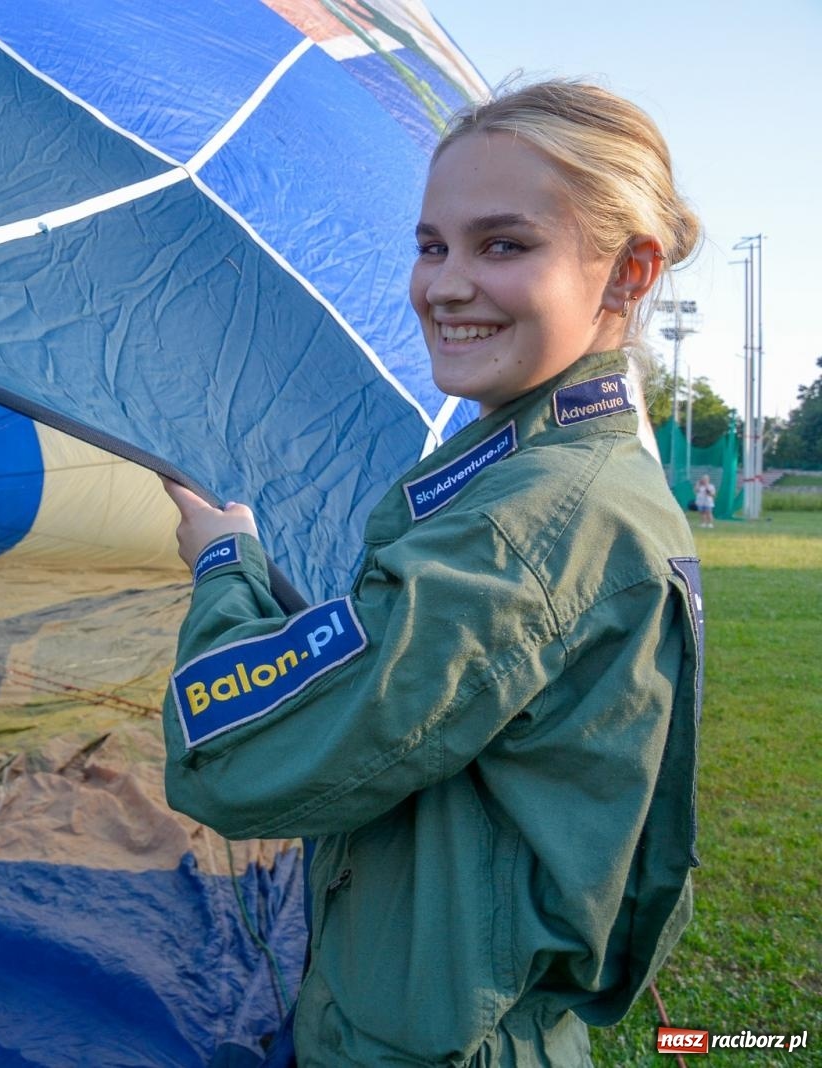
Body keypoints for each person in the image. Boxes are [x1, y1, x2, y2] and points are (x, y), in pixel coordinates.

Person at [160, 80, 703, 1066]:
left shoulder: (528, 522)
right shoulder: (569, 473)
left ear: (627, 275)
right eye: (430, 244)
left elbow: (232, 755)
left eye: (503, 245)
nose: (444, 285)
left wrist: (224, 566)